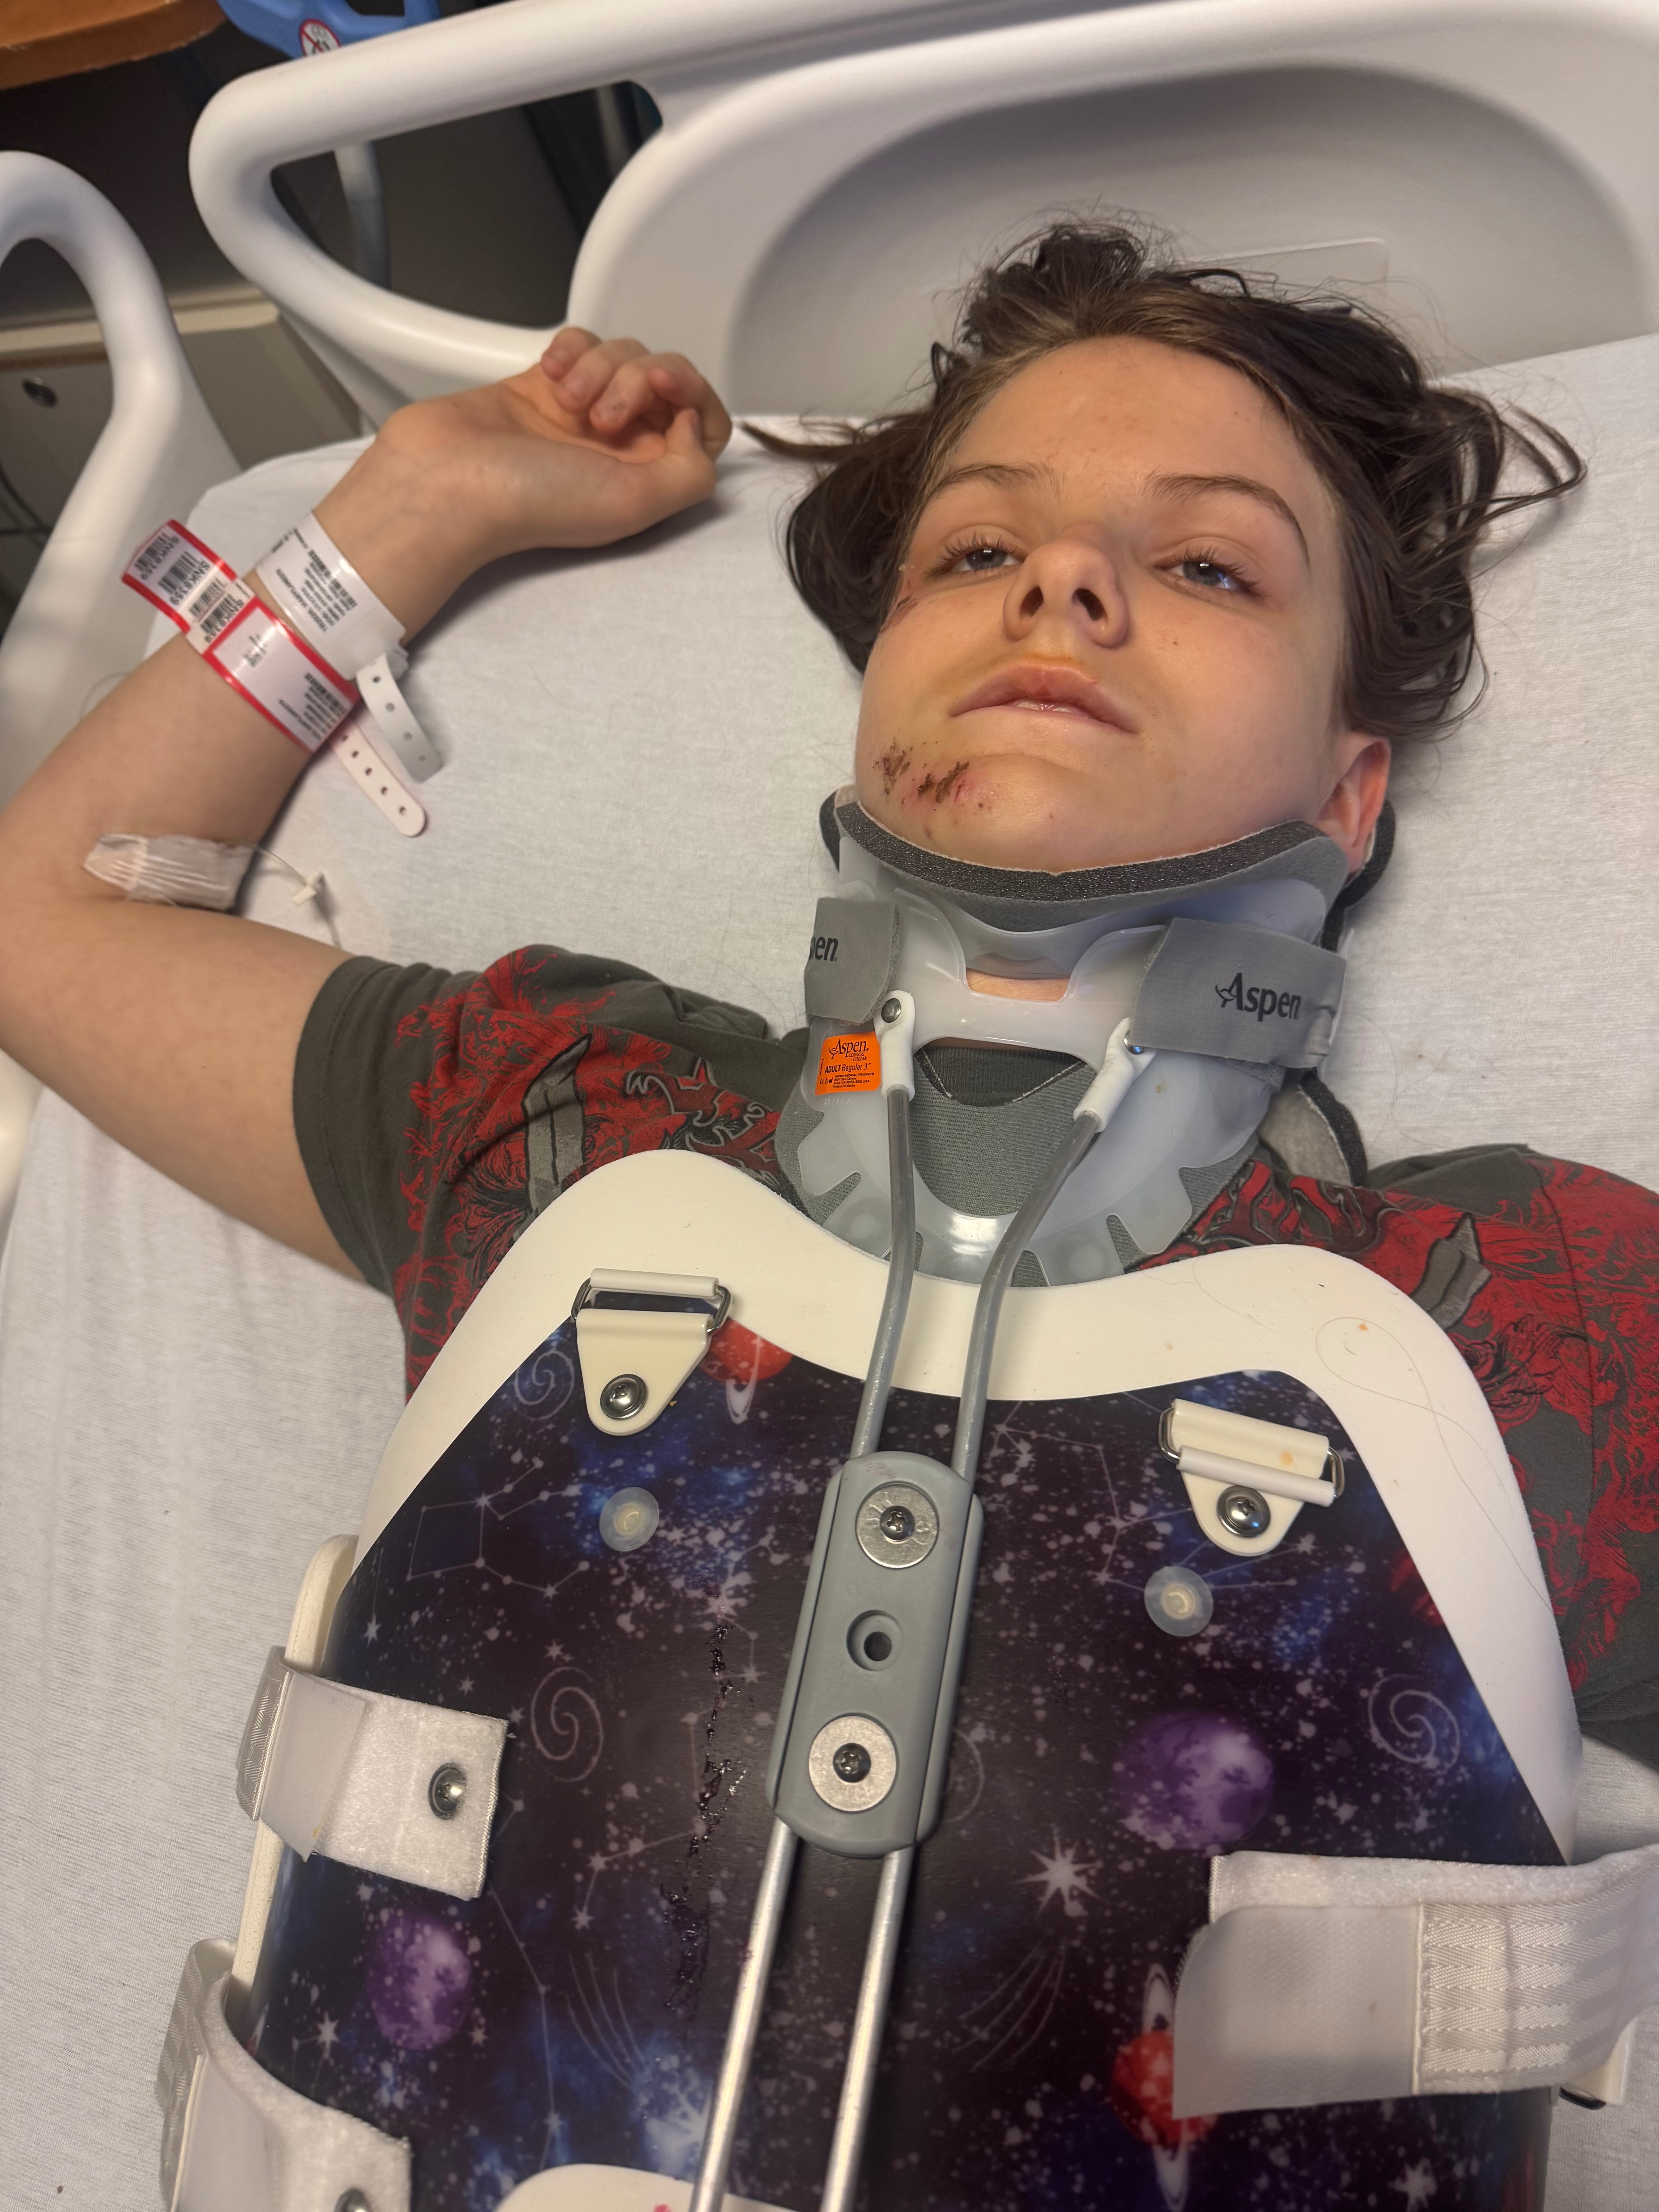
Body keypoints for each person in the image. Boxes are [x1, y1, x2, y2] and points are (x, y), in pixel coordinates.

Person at [2, 225, 1655, 2205]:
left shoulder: (1531, 1313)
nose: (1062, 581)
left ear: (1353, 795)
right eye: (978, 549)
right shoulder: (568, 1124)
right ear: (876, 707)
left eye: (1212, 565)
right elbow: (46, 916)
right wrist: (411, 505)